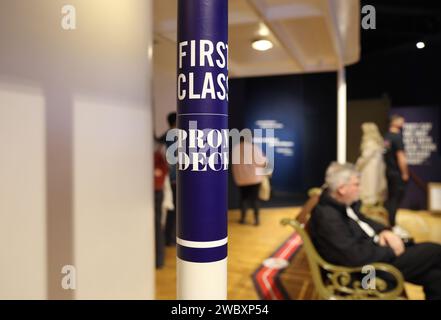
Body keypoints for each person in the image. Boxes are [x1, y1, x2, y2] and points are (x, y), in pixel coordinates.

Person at [309, 162, 441, 299]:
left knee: (435, 277)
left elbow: (363, 220)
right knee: (435, 251)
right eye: (356, 184)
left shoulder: (339, 204)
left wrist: (384, 231)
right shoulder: (328, 217)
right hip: (367, 272)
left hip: (375, 257)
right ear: (342, 189)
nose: (359, 189)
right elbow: (353, 256)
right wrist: (391, 251)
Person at [231, 137, 267, 226]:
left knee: (243, 198)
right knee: (255, 199)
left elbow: (234, 166)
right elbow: (263, 162)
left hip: (241, 180)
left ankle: (243, 219)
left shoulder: (235, 150)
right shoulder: (254, 148)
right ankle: (256, 219)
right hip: (255, 179)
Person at [383, 115, 409, 234]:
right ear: (395, 121)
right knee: (394, 199)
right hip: (396, 173)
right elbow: (401, 157)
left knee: (391, 198)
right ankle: (391, 225)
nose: (403, 121)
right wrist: (404, 173)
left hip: (388, 172)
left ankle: (389, 223)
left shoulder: (386, 137)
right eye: (401, 119)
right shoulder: (397, 137)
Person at [157, 112, 177, 246]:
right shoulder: (178, 136)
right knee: (174, 210)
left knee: (170, 210)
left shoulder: (164, 136)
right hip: (174, 178)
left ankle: (167, 237)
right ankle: (170, 238)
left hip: (165, 179)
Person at [356, 122, 387, 206]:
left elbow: (365, 157)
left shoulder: (370, 143)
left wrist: (357, 165)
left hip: (369, 170)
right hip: (376, 169)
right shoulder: (378, 143)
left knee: (369, 189)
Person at [154, 142, 168, 268]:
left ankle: (159, 260)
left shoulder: (158, 151)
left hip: (156, 191)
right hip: (157, 190)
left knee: (157, 226)